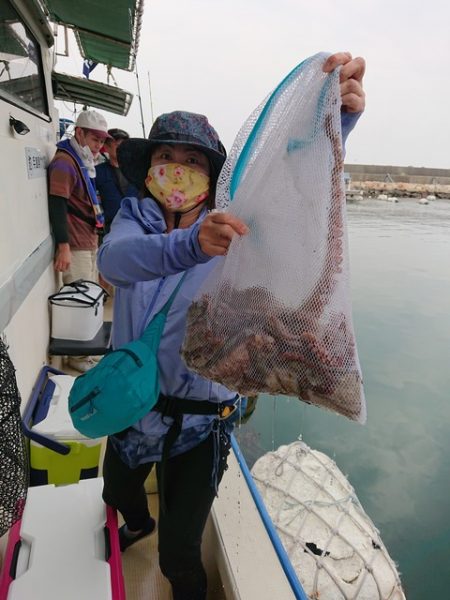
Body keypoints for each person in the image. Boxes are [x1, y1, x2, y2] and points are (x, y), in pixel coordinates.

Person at [98, 52, 366, 600]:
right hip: (131, 403)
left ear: (212, 175)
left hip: (202, 421)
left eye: (192, 160)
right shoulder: (134, 221)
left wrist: (334, 123)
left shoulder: (239, 226)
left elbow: (293, 188)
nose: (176, 169)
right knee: (116, 489)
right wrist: (188, 244)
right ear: (146, 170)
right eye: (164, 156)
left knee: (179, 552)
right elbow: (114, 263)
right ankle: (137, 520)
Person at [48, 109, 110, 372]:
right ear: (79, 133)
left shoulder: (82, 163)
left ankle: (85, 350)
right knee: (80, 298)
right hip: (75, 244)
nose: (99, 146)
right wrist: (63, 245)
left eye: (102, 141)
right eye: (95, 139)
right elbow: (57, 204)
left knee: (90, 296)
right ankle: (77, 356)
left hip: (89, 240)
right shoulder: (64, 162)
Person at [95, 128, 139, 235]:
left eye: (125, 146)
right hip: (111, 228)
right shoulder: (97, 172)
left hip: (137, 225)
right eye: (118, 146)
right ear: (106, 147)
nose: (122, 149)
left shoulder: (137, 170)